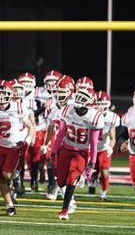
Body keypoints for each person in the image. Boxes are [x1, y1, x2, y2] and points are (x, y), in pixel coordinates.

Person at [51, 87, 103, 220]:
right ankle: (79, 178)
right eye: (79, 96)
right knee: (61, 182)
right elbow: (61, 133)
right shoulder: (68, 109)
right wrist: (54, 151)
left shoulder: (94, 116)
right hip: (66, 149)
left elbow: (93, 142)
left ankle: (64, 210)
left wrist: (92, 163)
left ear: (90, 102)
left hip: (81, 153)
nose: (79, 100)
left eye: (84, 98)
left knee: (71, 179)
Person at [0, 80, 35, 216]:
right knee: (0, 177)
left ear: (9, 94)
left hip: (13, 147)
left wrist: (28, 140)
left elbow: (31, 127)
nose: (0, 96)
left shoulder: (18, 107)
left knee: (7, 174)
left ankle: (16, 176)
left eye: (3, 93)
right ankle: (10, 205)